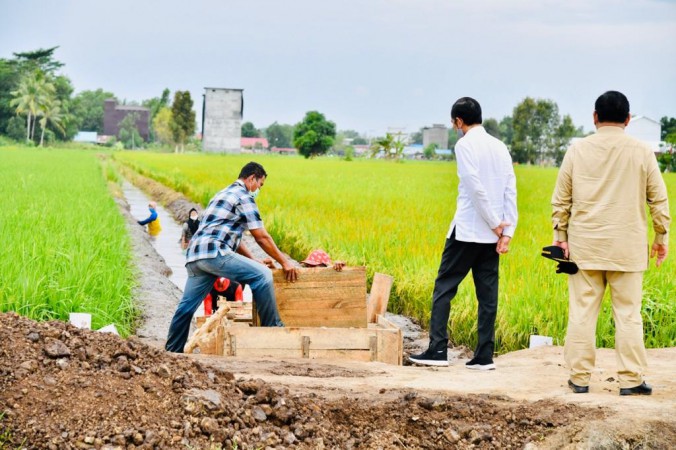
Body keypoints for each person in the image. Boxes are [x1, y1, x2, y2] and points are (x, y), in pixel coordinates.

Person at [551, 91, 670, 396]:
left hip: (584, 248)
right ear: (628, 120)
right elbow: (658, 198)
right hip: (627, 249)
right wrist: (661, 236)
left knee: (581, 312)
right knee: (628, 314)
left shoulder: (577, 151)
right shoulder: (642, 151)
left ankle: (578, 379)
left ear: (595, 117)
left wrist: (560, 237)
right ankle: (630, 380)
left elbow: (561, 199)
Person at [409, 97, 517, 369]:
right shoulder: (499, 146)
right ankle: (484, 356)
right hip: (491, 238)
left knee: (444, 288)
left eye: (454, 122)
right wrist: (507, 231)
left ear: (458, 121)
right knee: (488, 294)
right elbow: (510, 189)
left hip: (468, 231)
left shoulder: (465, 145)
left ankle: (437, 351)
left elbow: (474, 188)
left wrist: (494, 223)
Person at [165, 161, 298, 353]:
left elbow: (234, 237)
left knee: (186, 308)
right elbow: (261, 236)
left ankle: (172, 351)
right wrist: (284, 262)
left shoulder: (221, 194)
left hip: (195, 256)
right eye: (260, 185)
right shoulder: (244, 196)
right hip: (215, 253)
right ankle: (274, 330)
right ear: (252, 178)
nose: (258, 190)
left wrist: (255, 261)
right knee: (262, 276)